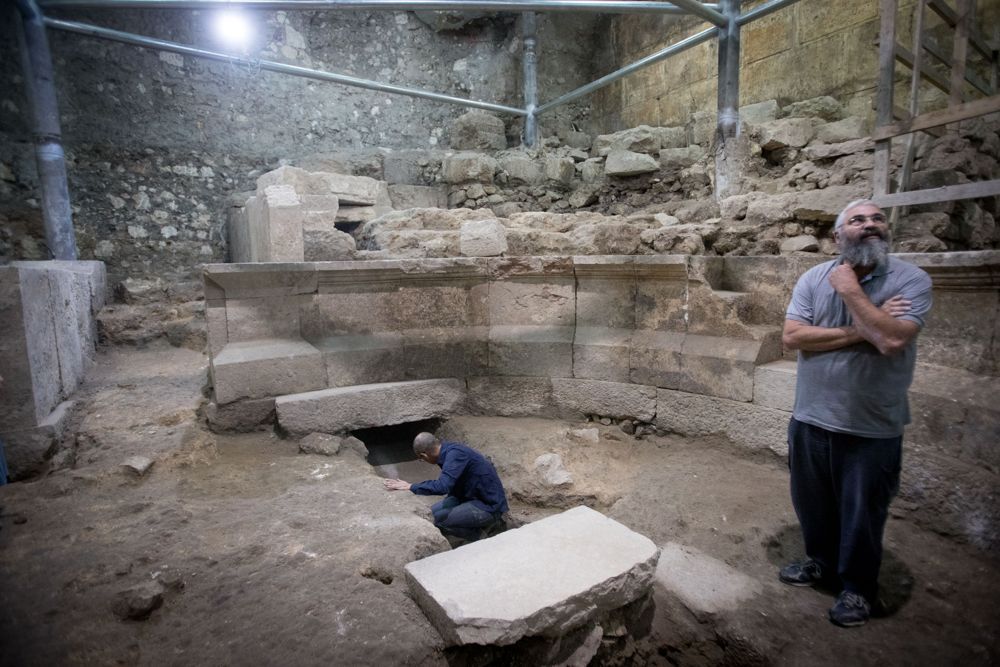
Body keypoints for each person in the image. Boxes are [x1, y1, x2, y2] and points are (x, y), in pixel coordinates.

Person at [779, 199, 932, 628]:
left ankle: (858, 589)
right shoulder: (813, 278)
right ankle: (820, 563)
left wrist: (850, 292)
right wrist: (863, 327)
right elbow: (792, 337)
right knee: (812, 504)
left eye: (877, 219)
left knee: (863, 512)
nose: (870, 225)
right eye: (858, 220)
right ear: (837, 236)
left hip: (871, 425)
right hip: (810, 417)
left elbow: (892, 341)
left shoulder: (911, 279)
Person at [383, 432, 508, 543]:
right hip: (466, 497)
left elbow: (443, 486)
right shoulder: (447, 450)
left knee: (437, 521)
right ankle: (470, 524)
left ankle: (480, 537)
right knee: (427, 515)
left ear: (424, 455)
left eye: (421, 459)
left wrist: (411, 486)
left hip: (487, 505)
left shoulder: (455, 455)